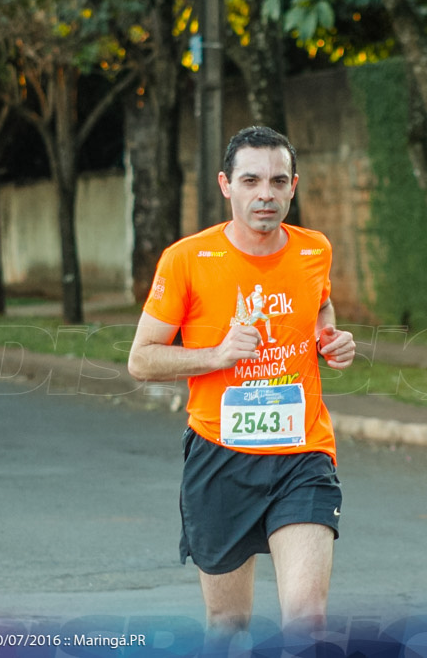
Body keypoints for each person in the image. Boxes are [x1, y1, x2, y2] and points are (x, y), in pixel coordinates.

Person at [127, 126, 356, 645]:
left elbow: (320, 304)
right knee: (229, 626)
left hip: (303, 455)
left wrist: (328, 339)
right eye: (251, 180)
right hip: (219, 456)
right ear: (226, 185)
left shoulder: (313, 250)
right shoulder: (186, 259)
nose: (265, 194)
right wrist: (217, 355)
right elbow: (141, 359)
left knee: (307, 619)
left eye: (278, 181)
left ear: (293, 186)